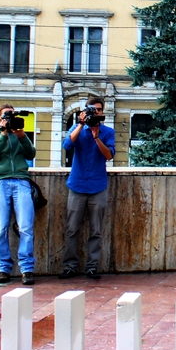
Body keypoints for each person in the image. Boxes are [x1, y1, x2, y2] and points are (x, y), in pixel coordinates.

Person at [60, 97, 115, 280]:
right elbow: (67, 145)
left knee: (96, 230)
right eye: (92, 109)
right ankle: (70, 266)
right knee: (71, 229)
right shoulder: (77, 128)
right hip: (77, 185)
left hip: (97, 186)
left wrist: (97, 137)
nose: (96, 112)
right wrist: (81, 124)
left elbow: (109, 155)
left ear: (102, 112)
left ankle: (92, 266)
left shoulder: (108, 132)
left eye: (98, 109)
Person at [0, 104, 37, 286]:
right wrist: (3, 134)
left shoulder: (18, 134)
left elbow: (31, 154)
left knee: (26, 226)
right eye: (6, 115)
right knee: (1, 227)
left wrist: (22, 136)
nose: (10, 118)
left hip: (21, 181)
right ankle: (4, 268)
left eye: (12, 115)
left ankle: (27, 269)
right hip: (0, 182)